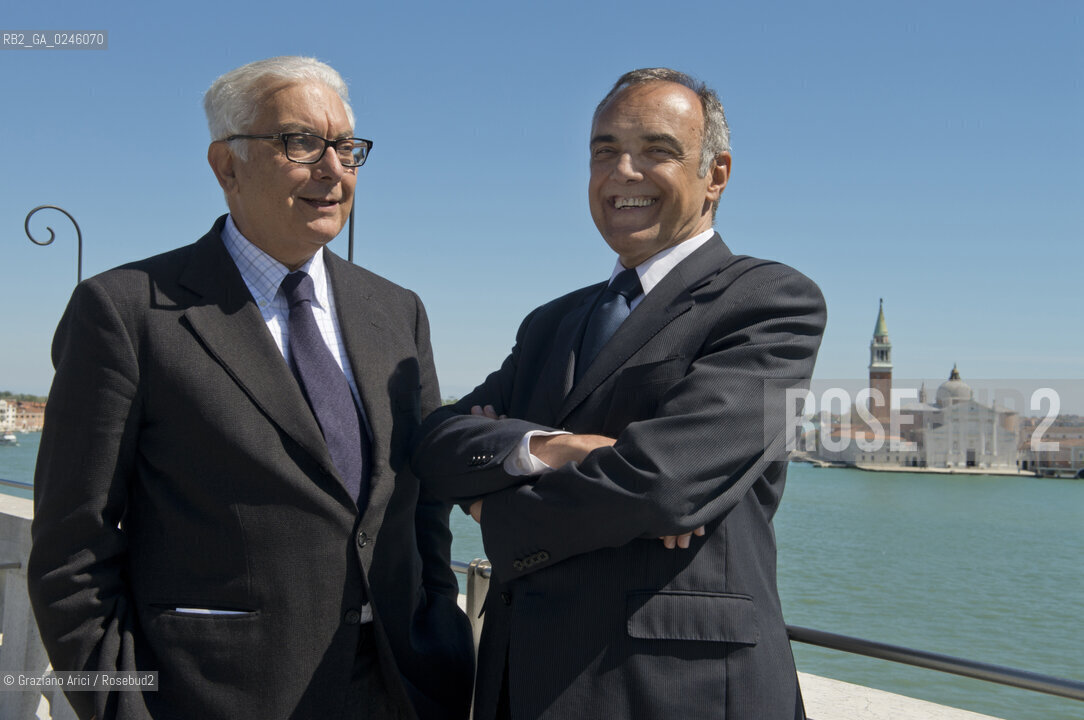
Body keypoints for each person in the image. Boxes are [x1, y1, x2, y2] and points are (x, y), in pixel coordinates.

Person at [28, 56, 473, 720]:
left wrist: (439, 640)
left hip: (400, 690)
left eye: (346, 147)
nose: (333, 169)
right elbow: (72, 552)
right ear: (226, 166)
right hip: (215, 698)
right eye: (301, 143)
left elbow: (424, 508)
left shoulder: (397, 310)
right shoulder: (126, 311)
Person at [411, 68, 827, 719]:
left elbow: (662, 485)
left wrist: (494, 507)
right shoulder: (550, 323)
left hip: (671, 691)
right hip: (520, 685)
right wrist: (551, 447)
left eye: (656, 151)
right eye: (604, 152)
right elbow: (436, 445)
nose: (622, 172)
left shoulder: (769, 303)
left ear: (715, 174)